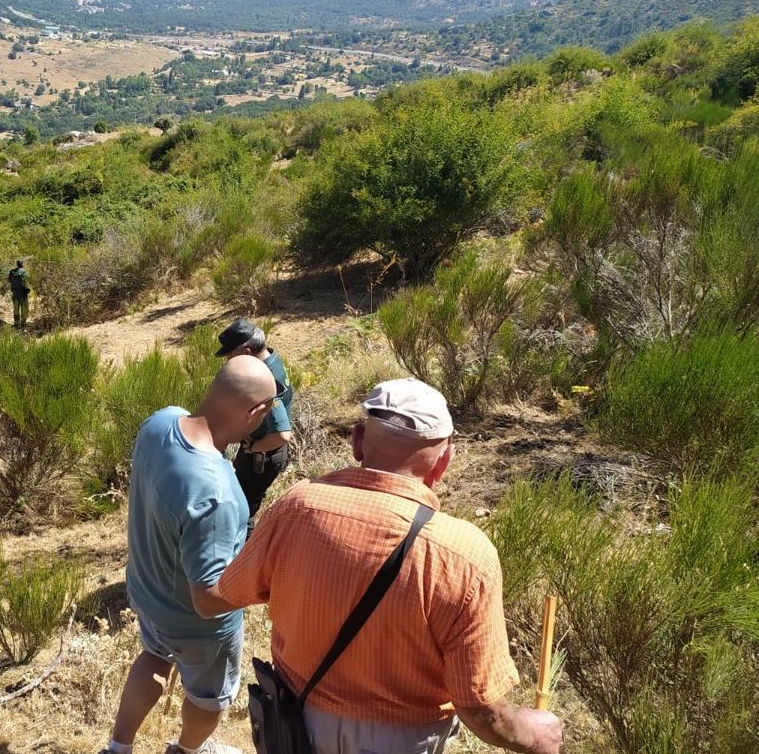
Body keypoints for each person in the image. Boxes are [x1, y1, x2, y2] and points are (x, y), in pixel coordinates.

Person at [195, 378, 563, 754]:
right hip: (400, 740)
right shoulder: (464, 554)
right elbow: (480, 709)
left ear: (357, 441)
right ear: (445, 459)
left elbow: (217, 598)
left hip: (294, 722)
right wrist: (534, 735)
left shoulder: (297, 507)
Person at [105, 356, 285, 754]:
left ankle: (118, 747)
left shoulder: (160, 421)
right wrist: (272, 587)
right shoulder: (217, 494)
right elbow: (206, 601)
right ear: (255, 412)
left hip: (148, 593)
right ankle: (186, 750)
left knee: (153, 656)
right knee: (209, 697)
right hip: (197, 627)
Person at [214, 319, 294, 532]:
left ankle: (244, 558)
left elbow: (283, 434)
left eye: (231, 355)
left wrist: (253, 448)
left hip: (263, 454)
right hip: (264, 451)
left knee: (242, 512)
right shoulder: (272, 359)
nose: (228, 361)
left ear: (247, 351)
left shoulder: (265, 379)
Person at [8, 259, 30, 328]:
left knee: (16, 309)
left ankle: (16, 323)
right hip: (23, 294)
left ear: (17, 264)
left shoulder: (12, 272)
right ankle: (23, 323)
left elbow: (9, 280)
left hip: (15, 293)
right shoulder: (24, 272)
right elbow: (26, 282)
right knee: (24, 309)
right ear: (22, 264)